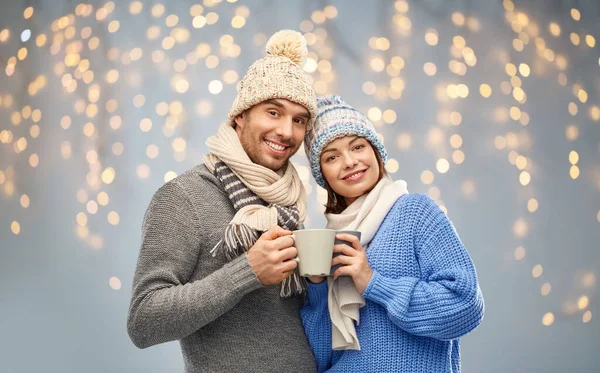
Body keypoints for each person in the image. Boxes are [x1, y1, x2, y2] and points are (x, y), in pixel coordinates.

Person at [127, 30, 319, 373]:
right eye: (273, 112)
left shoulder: (288, 202)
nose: (287, 132)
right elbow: (143, 321)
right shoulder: (183, 196)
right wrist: (248, 272)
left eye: (299, 120)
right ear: (240, 116)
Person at [300, 95, 485, 372]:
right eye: (332, 156)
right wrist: (316, 287)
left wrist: (373, 282)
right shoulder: (333, 238)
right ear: (322, 174)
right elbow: (323, 357)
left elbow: (465, 306)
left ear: (376, 152)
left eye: (358, 146)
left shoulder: (415, 212)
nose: (349, 162)